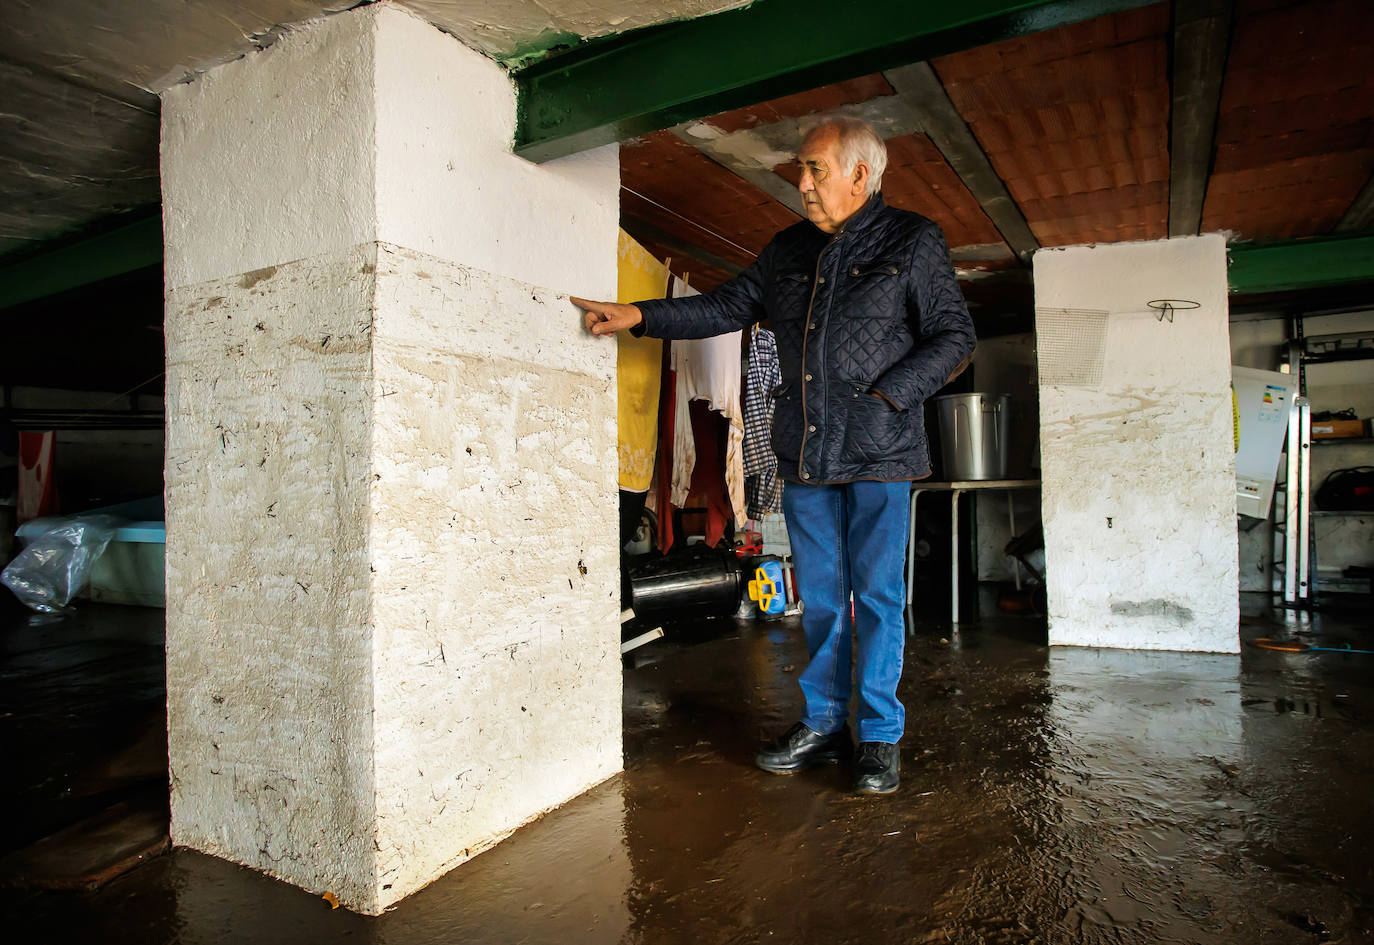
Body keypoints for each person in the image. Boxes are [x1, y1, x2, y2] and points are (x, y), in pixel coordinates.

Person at [574, 116, 975, 795]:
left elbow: (953, 336)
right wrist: (639, 315)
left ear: (860, 174)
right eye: (802, 168)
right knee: (819, 598)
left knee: (876, 597)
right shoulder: (787, 251)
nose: (801, 181)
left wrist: (888, 396)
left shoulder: (913, 240)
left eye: (815, 168)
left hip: (881, 451)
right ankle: (822, 722)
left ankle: (878, 736)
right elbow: (722, 307)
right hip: (807, 451)